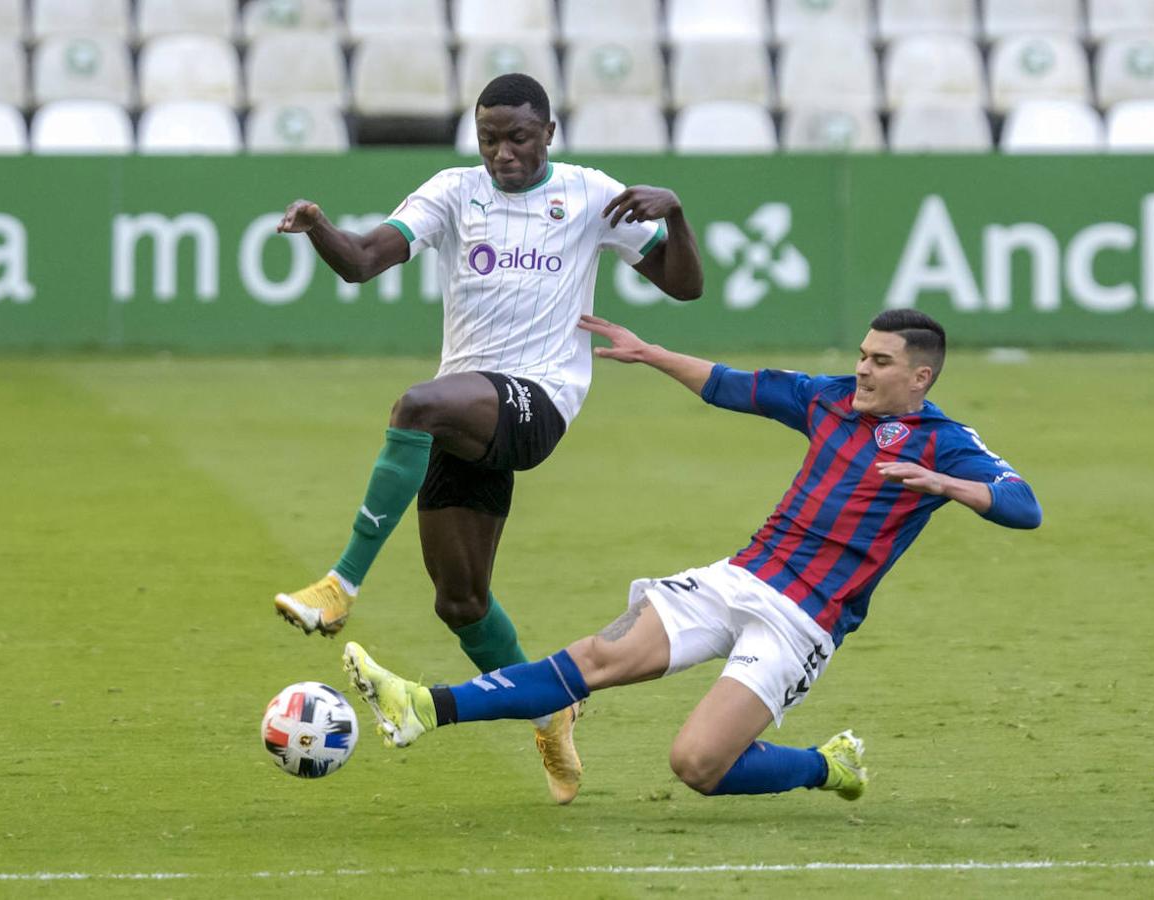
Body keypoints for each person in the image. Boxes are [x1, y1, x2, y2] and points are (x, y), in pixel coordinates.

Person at [340, 309, 1042, 804]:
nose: (861, 368)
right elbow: (733, 385)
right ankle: (423, 707)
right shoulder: (829, 399)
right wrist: (652, 354)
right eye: (861, 354)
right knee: (596, 659)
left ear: (920, 378)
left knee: (698, 764)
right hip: (737, 577)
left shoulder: (945, 441)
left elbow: (1024, 504)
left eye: (879, 362)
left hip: (802, 621)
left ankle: (826, 766)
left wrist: (949, 485)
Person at [271, 73, 704, 804]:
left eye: (518, 137)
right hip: (468, 408)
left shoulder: (591, 192)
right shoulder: (452, 192)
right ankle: (550, 709)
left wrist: (679, 217)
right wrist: (319, 227)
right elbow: (364, 261)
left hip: (540, 400)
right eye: (489, 138)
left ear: (549, 135)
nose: (503, 152)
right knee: (460, 602)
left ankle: (340, 585)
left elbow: (685, 287)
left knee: (414, 405)